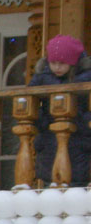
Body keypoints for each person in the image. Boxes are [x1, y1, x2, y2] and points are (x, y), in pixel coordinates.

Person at [28, 33, 91, 186]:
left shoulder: (85, 78)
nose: (57, 67)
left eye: (62, 63)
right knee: (50, 179)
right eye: (53, 62)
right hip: (49, 138)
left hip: (79, 138)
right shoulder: (42, 78)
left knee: (77, 183)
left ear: (73, 62)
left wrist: (82, 120)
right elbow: (32, 102)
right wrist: (42, 121)